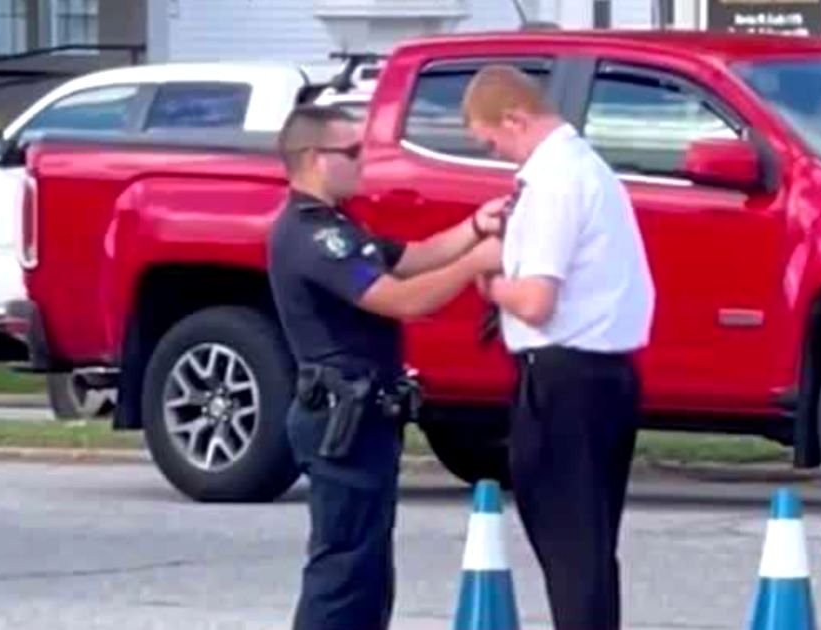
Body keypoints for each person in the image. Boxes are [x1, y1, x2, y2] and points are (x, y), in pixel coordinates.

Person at [266, 104, 506, 630]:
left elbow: (414, 256)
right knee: (343, 572)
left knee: (368, 571)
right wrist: (473, 265)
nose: (362, 162)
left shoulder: (338, 227)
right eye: (350, 152)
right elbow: (400, 299)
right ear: (312, 158)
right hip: (341, 418)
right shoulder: (313, 238)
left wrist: (473, 227)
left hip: (364, 416)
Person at [463, 64, 657, 629]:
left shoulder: (553, 183)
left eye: (493, 140)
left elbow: (536, 300)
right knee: (589, 545)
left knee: (570, 545)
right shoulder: (587, 169)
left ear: (515, 118)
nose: (497, 154)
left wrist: (489, 284)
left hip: (563, 378)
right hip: (601, 377)